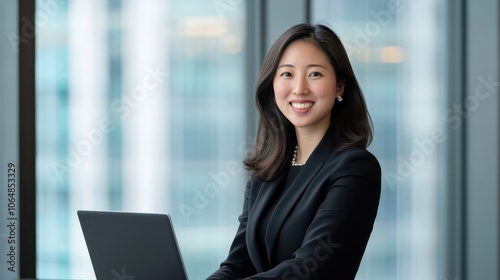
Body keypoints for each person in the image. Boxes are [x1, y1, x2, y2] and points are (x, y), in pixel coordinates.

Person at [207, 23, 381, 280]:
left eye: (315, 75)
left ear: (340, 86)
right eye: (287, 74)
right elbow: (238, 265)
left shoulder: (355, 167)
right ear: (273, 85)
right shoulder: (266, 170)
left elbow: (309, 269)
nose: (299, 89)